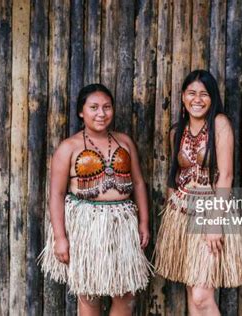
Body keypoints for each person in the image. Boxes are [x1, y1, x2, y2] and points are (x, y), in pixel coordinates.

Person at [39, 84, 151, 316]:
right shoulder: (68, 147)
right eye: (94, 107)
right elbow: (57, 195)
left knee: (126, 292)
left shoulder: (124, 142)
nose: (101, 113)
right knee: (89, 294)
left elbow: (139, 183)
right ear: (82, 111)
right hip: (87, 227)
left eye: (107, 107)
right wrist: (60, 237)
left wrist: (143, 223)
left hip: (122, 226)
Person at [154, 70, 242, 315]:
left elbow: (226, 175)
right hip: (181, 214)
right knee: (192, 296)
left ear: (212, 98)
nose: (197, 99)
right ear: (183, 97)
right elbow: (174, 175)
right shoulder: (176, 131)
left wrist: (215, 222)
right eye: (192, 93)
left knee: (202, 296)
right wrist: (172, 216)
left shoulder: (220, 124)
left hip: (211, 212)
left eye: (204, 94)